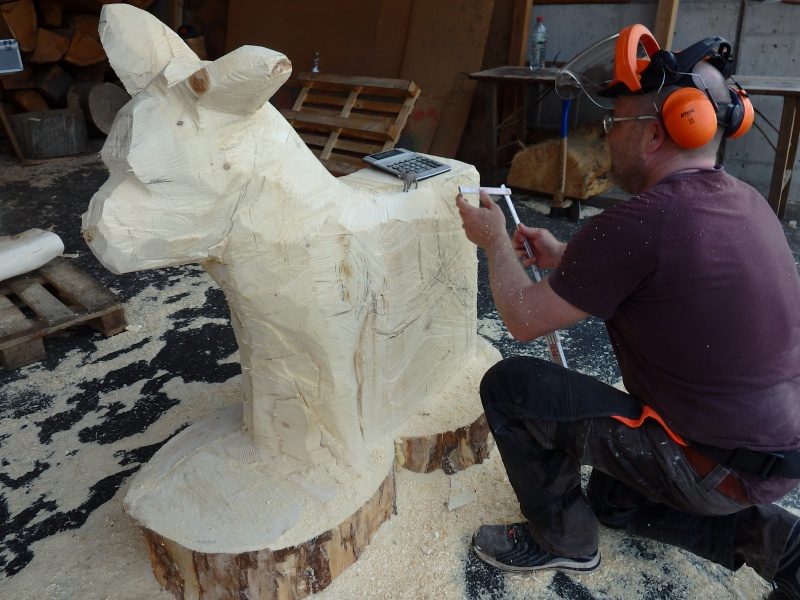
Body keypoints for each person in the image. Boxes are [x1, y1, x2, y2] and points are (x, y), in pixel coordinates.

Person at [456, 28, 800, 599]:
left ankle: (564, 541)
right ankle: (785, 547)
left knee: (512, 387)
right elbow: (662, 272)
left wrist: (494, 240)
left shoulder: (639, 222)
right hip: (771, 457)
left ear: (656, 133)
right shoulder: (746, 201)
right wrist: (566, 257)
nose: (607, 136)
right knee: (614, 499)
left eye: (615, 124)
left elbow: (520, 318)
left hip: (708, 462)